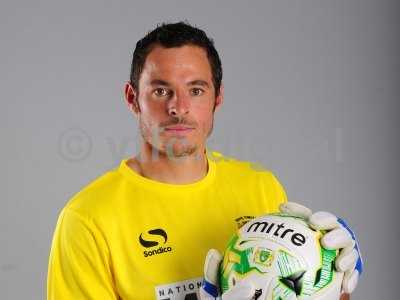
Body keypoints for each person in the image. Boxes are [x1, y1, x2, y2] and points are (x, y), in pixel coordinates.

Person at [47, 22, 361, 300]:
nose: (178, 107)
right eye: (160, 91)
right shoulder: (88, 219)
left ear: (217, 99)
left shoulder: (260, 187)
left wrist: (332, 277)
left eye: (195, 90)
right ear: (132, 99)